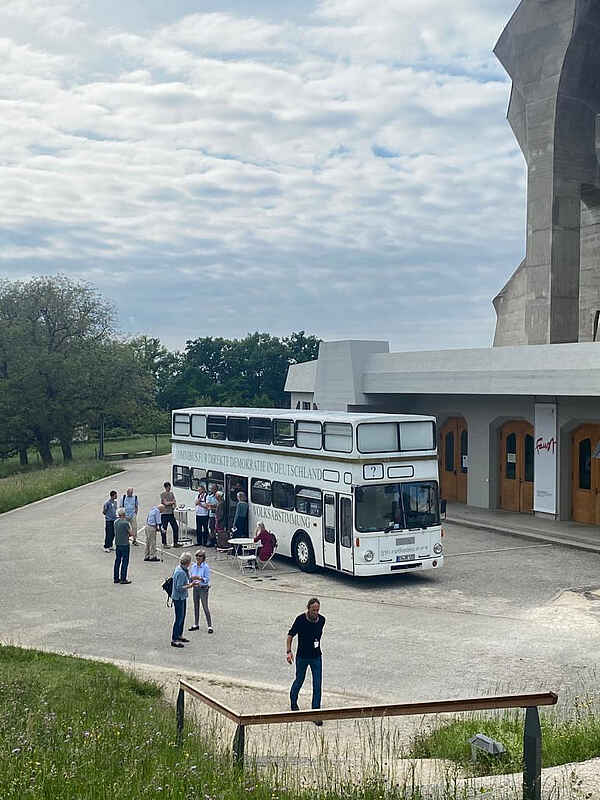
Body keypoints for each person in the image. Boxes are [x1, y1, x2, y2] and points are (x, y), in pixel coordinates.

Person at [287, 598, 325, 724]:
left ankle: (315, 713)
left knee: (317, 685)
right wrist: (289, 651)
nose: (316, 613)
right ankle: (293, 701)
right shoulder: (300, 620)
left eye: (317, 610)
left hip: (316, 657)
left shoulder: (322, 620)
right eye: (313, 610)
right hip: (302, 656)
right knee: (299, 679)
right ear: (308, 608)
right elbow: (290, 634)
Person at [171, 552, 194, 648]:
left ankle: (179, 635)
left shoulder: (181, 569)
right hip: (179, 597)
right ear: (187, 562)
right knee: (179, 618)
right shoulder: (180, 572)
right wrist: (190, 585)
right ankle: (174, 638)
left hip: (182, 597)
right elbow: (179, 587)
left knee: (182, 616)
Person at [188, 550, 213, 634]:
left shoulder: (205, 567)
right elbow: (190, 577)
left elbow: (207, 579)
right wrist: (192, 579)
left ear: (203, 558)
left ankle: (210, 625)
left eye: (200, 556)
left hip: (203, 588)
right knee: (196, 605)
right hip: (195, 587)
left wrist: (200, 578)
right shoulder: (193, 566)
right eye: (197, 556)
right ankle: (196, 624)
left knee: (205, 606)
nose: (198, 557)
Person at [113, 508, 132, 584]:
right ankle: (123, 578)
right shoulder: (125, 523)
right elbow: (131, 533)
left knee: (117, 561)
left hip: (118, 543)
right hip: (125, 544)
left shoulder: (115, 522)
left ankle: (116, 578)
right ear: (124, 514)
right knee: (125, 561)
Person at [160, 481, 179, 547]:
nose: (169, 488)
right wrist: (172, 502)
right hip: (164, 513)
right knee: (164, 529)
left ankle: (175, 542)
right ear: (165, 487)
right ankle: (164, 543)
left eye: (169, 487)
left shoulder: (171, 493)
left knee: (175, 527)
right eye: (168, 487)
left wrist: (173, 504)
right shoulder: (163, 494)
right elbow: (165, 503)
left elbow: (174, 502)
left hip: (171, 513)